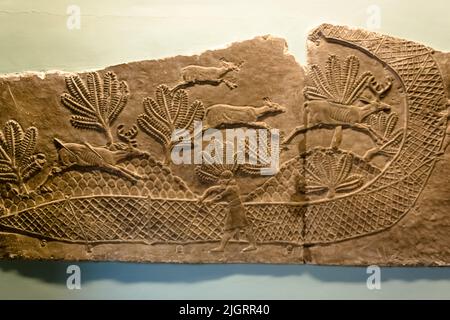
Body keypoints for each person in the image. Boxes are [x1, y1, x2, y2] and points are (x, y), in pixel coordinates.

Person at [198, 170, 257, 252]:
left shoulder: (231, 188)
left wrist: (211, 201)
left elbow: (220, 196)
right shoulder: (229, 186)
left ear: (228, 179)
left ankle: (252, 245)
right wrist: (203, 197)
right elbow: (212, 190)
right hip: (233, 209)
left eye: (223, 179)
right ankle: (222, 247)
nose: (221, 181)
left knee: (244, 227)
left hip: (237, 209)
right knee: (229, 229)